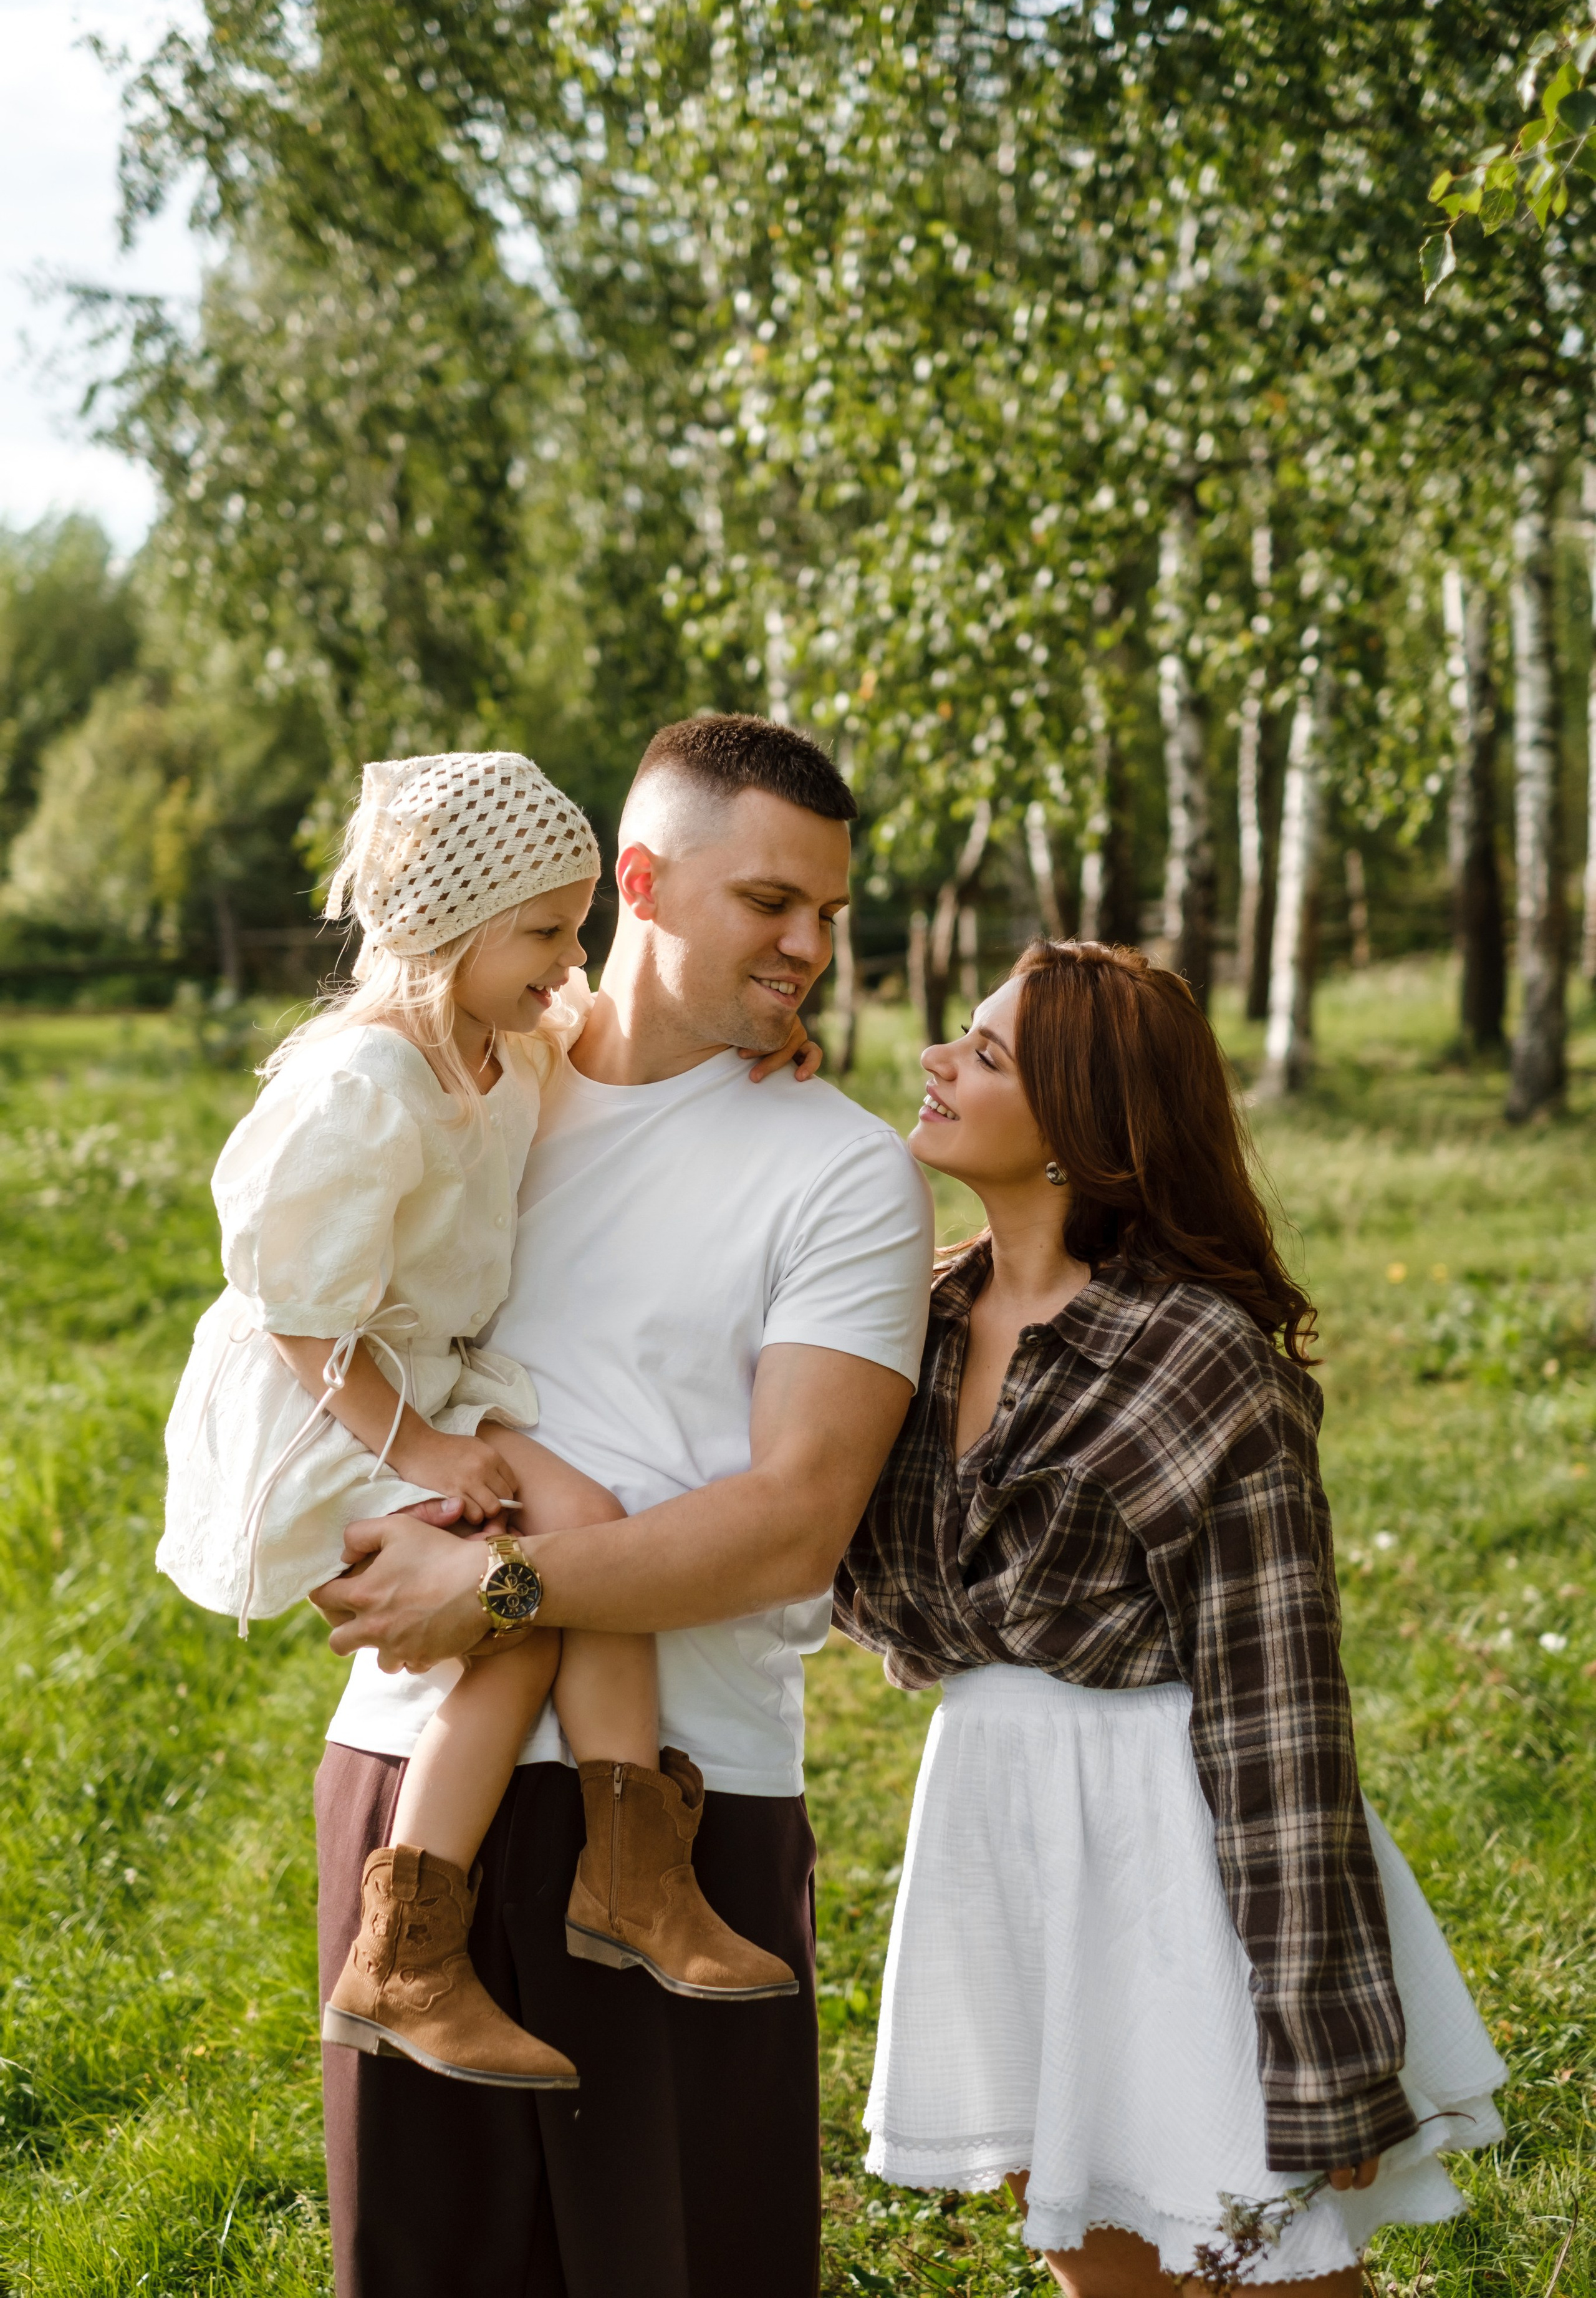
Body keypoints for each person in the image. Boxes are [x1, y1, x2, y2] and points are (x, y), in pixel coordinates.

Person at [308, 713, 936, 2298]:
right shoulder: (465, 1088)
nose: (807, 947)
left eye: (828, 916)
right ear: (638, 881)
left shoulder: (842, 1170)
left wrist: (504, 1594)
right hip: (410, 1785)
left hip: (680, 1798)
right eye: (769, 904)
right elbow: (306, 1324)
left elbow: (795, 1522)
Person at [833, 940, 1506, 2298]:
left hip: (1172, 1847)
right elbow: (844, 1573)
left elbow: (1281, 1729)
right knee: (1091, 2258)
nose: (934, 1061)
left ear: (1082, 1126)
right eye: (956, 1035)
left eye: (985, 1052)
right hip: (991, 1830)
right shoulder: (909, 1324)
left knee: (1257, 2263)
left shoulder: (1198, 1365)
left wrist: (1318, 2049)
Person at [161, 750, 799, 2102]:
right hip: (332, 1405)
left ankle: (632, 1875)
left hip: (426, 1385)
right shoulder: (362, 1087)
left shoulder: (504, 1036)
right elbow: (294, 1313)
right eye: (544, 932)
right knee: (516, 1604)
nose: (573, 959)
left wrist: (763, 1034)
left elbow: (603, 1035)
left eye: (578, 925)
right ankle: (408, 1949)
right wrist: (426, 1453)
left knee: (586, 1530)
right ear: (447, 927)